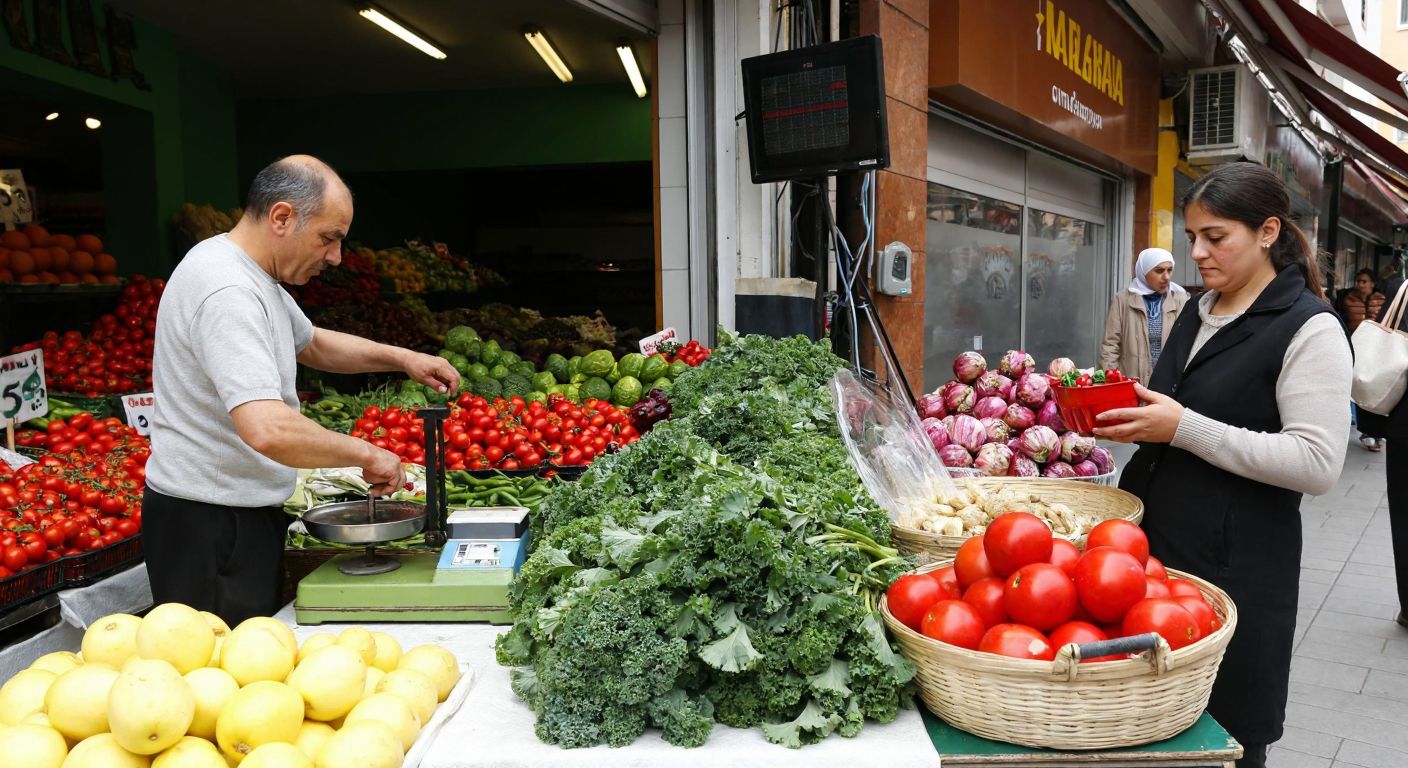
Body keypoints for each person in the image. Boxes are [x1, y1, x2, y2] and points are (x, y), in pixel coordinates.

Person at [1095, 162, 1351, 768]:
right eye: (1191, 238)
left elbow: (1317, 463)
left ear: (1267, 232)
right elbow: (1182, 403)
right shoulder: (1198, 307)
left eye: (1215, 237)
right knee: (1151, 728)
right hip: (1155, 554)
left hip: (1238, 567)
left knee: (1224, 735)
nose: (1198, 252)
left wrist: (1181, 427)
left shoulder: (1309, 326)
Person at [143, 155, 459, 626]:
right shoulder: (227, 289)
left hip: (235, 512)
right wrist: (366, 454)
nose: (335, 256)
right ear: (282, 217)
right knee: (220, 672)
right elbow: (268, 429)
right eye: (329, 238)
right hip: (208, 524)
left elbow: (312, 343)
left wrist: (402, 358)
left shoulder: (248, 272)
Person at [1099, 247, 1190, 384]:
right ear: (1144, 272)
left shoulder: (1181, 299)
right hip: (1131, 383)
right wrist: (1114, 382)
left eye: (1169, 270)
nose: (1166, 277)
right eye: (1159, 271)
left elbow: (1188, 344)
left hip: (1168, 385)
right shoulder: (1123, 299)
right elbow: (1110, 346)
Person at [1338, 268, 1386, 451]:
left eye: (1364, 281)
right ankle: (1358, 426)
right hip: (1354, 350)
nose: (1360, 284)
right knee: (1354, 387)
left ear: (1373, 283)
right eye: (1358, 281)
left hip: (1377, 352)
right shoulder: (1347, 299)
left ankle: (1373, 432)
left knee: (1373, 389)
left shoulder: (1382, 300)